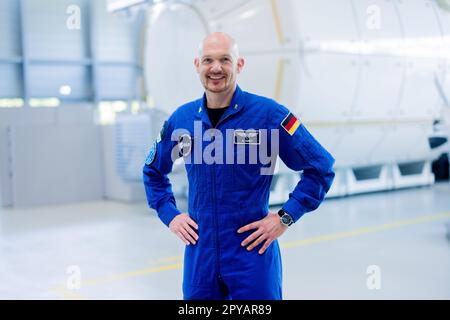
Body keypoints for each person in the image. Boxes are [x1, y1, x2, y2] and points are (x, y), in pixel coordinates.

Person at [143, 32, 335, 300]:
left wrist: (285, 217)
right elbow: (153, 170)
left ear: (239, 65)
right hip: (201, 257)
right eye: (208, 60)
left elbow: (321, 167)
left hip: (252, 254)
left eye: (225, 59)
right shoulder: (182, 120)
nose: (216, 68)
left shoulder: (269, 115)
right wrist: (170, 214)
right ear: (197, 65)